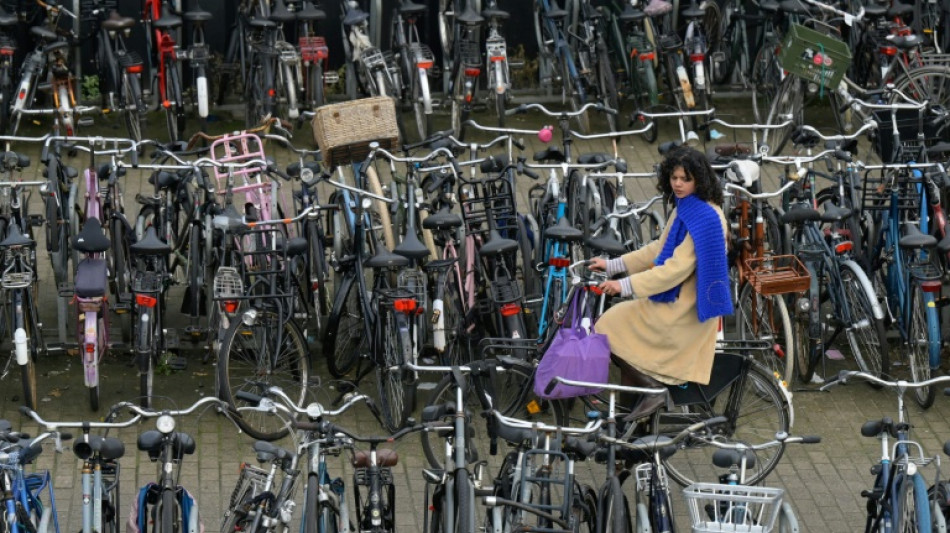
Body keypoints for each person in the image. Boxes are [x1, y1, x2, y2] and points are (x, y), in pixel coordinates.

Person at [589, 145, 733, 422]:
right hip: (674, 302)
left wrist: (624, 286)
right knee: (623, 343)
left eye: (685, 179)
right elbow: (658, 249)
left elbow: (674, 270)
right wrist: (612, 266)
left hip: (686, 312)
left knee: (609, 325)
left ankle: (654, 391)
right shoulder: (687, 209)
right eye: (674, 178)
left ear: (699, 181)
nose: (677, 184)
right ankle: (631, 425)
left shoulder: (706, 219)